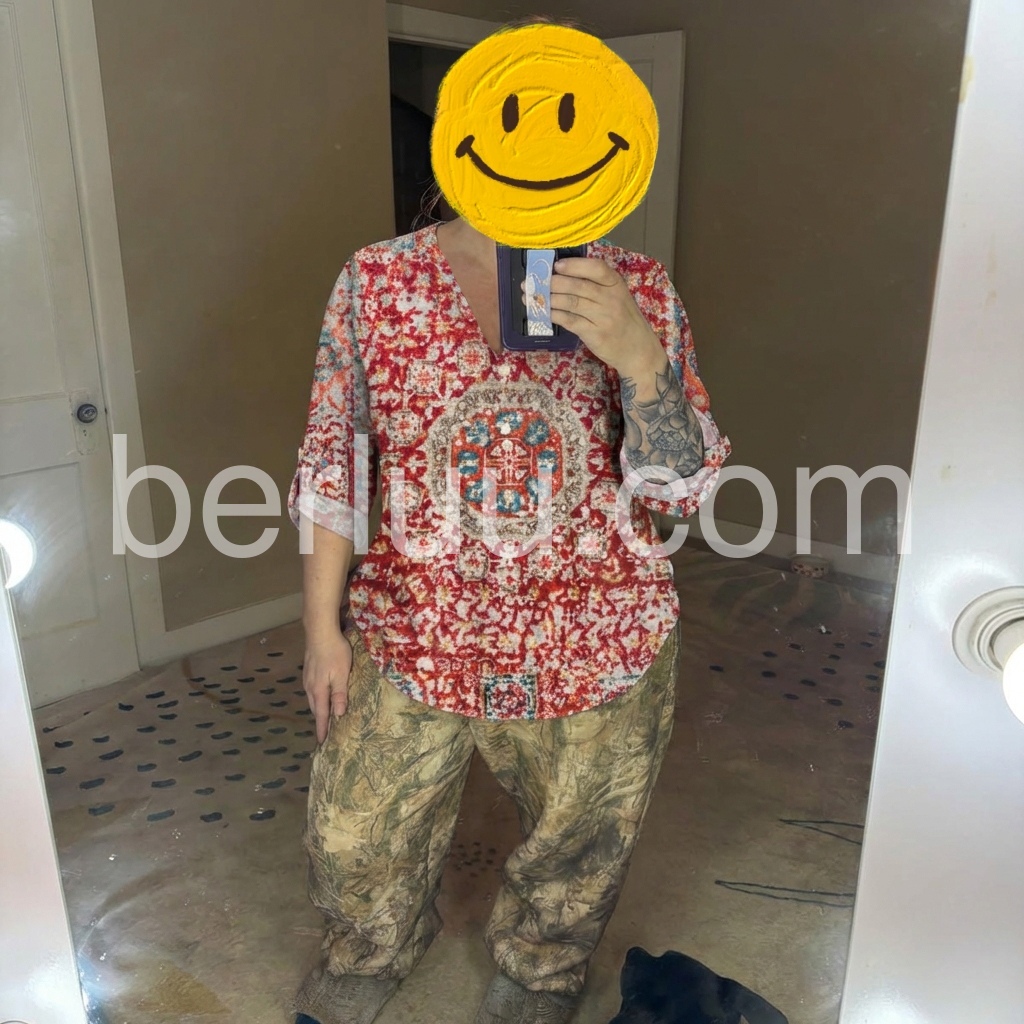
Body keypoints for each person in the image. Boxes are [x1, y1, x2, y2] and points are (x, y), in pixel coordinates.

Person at [287, 201, 729, 1022]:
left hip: (596, 631)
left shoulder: (633, 282)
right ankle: (370, 948)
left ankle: (540, 973)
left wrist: (642, 360)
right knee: (354, 832)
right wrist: (322, 630)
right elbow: (333, 461)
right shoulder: (377, 279)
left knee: (579, 844)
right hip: (416, 624)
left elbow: (679, 495)